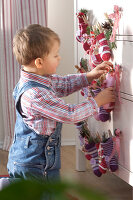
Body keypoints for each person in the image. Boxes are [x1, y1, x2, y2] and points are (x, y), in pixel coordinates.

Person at [6, 24, 115, 182]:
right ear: (39, 62)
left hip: (39, 163)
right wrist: (97, 101)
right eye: (55, 55)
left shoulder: (42, 79)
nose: (60, 58)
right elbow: (70, 114)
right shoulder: (35, 94)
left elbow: (65, 83)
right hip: (34, 166)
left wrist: (89, 76)